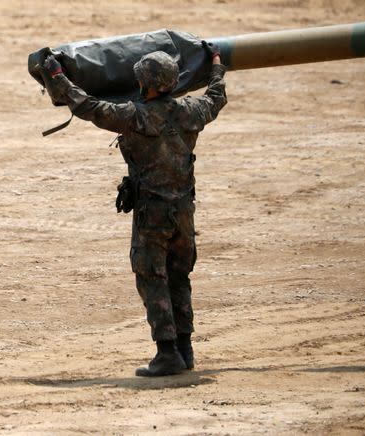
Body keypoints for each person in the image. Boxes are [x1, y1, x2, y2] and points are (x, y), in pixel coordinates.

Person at [40, 44, 227, 376]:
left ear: (149, 85)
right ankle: (184, 349)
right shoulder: (191, 111)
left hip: (152, 215)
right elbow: (216, 96)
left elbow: (86, 105)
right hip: (184, 212)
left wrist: (55, 76)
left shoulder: (136, 116)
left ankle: (167, 353)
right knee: (179, 277)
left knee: (152, 278)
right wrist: (215, 63)